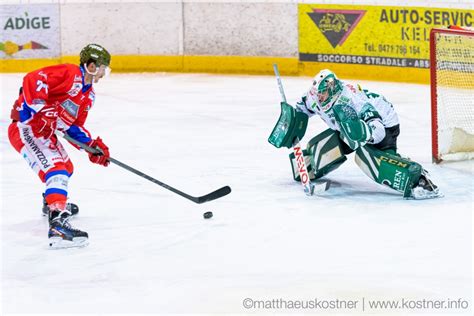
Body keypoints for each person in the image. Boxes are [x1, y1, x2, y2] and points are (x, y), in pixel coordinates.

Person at [270, 69, 441, 199]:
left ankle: (418, 180)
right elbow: (303, 109)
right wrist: (292, 123)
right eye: (317, 94)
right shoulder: (315, 96)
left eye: (322, 94)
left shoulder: (353, 99)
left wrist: (361, 133)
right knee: (328, 146)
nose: (319, 98)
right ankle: (309, 167)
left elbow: (379, 131)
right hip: (348, 127)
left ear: (332, 90)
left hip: (385, 124)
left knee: (367, 157)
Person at [8, 43, 112, 248]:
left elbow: (71, 127)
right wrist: (42, 109)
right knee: (56, 172)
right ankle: (57, 225)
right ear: (91, 66)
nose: (103, 73)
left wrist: (92, 146)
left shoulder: (88, 96)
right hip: (26, 127)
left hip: (43, 133)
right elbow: (33, 79)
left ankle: (51, 203)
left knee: (67, 168)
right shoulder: (70, 73)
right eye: (102, 67)